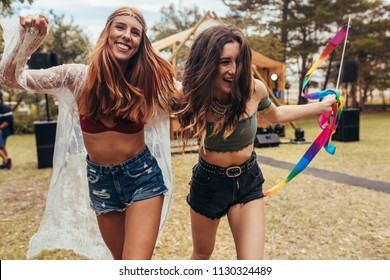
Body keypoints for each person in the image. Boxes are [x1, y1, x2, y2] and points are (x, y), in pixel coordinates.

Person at [0, 7, 178, 260]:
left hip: (142, 178)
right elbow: (11, 80)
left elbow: (194, 96)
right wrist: (28, 40)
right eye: (120, 27)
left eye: (135, 32)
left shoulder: (149, 81)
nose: (127, 35)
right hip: (101, 182)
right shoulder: (78, 77)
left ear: (140, 43)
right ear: (107, 32)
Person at [177, 24, 336, 260]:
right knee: (201, 255)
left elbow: (277, 115)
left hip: (247, 181)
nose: (234, 70)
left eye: (239, 61)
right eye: (224, 62)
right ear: (207, 63)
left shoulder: (254, 89)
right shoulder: (188, 94)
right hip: (209, 183)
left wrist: (321, 106)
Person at [0, 91, 13, 169]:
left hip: (3, 131)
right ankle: (6, 163)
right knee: (2, 147)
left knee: (1, 147)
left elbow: (8, 121)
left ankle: (6, 160)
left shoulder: (4, 107)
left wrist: (0, 127)